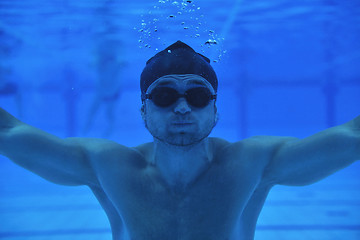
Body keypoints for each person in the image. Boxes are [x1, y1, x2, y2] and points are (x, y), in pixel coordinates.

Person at [0, 41, 359, 240]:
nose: (183, 108)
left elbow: (352, 137)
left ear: (216, 111)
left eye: (199, 96)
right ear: (143, 111)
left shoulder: (251, 164)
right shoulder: (110, 167)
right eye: (165, 96)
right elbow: (9, 133)